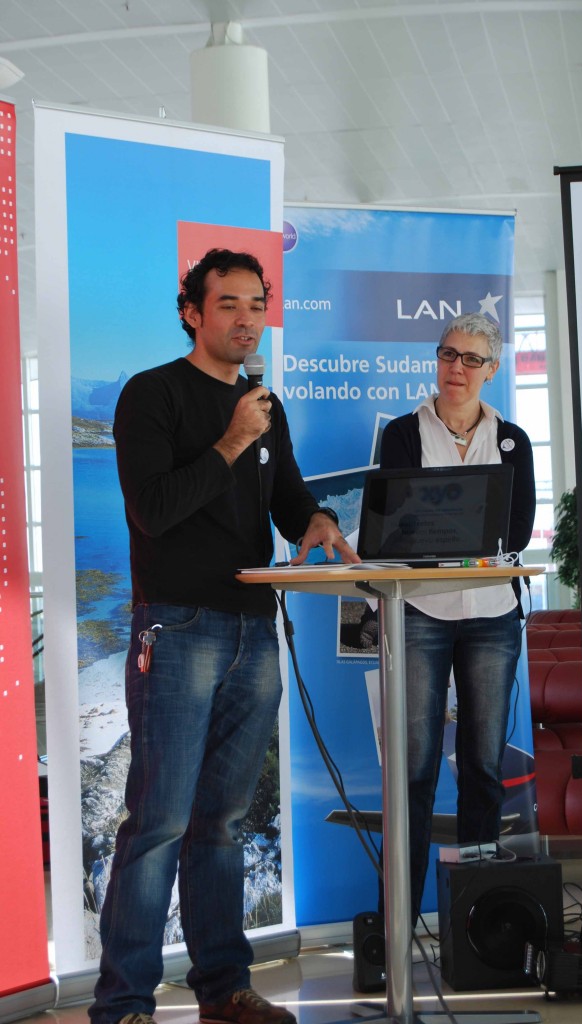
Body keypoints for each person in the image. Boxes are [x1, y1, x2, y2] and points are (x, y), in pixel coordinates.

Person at [89, 248, 358, 1024]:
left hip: (252, 631)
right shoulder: (153, 394)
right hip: (177, 629)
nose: (246, 319)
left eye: (256, 305)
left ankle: (224, 989)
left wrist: (317, 519)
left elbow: (289, 498)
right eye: (229, 305)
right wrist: (235, 438)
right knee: (159, 822)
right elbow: (154, 510)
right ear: (192, 312)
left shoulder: (261, 403)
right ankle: (125, 1004)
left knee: (223, 822)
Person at [379, 312, 535, 926]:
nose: (457, 369)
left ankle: (477, 922)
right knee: (415, 769)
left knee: (482, 766)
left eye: (472, 360)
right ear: (436, 360)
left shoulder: (513, 440)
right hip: (421, 609)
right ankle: (400, 925)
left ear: (491, 371)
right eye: (449, 355)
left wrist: (446, 527)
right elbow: (399, 526)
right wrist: (461, 531)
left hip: (493, 611)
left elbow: (515, 531)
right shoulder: (402, 433)